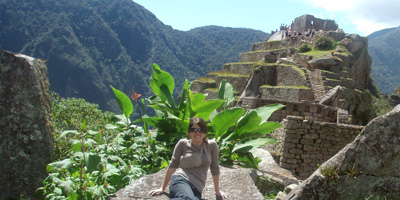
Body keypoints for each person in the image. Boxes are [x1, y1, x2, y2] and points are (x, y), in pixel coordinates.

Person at [149, 117, 227, 200]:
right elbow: (173, 165)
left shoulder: (211, 145)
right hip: (181, 180)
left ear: (205, 132)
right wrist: (162, 188)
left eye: (201, 130)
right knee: (186, 198)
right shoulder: (183, 143)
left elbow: (215, 167)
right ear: (189, 132)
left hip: (197, 188)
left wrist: (217, 190)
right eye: (194, 130)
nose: (198, 133)